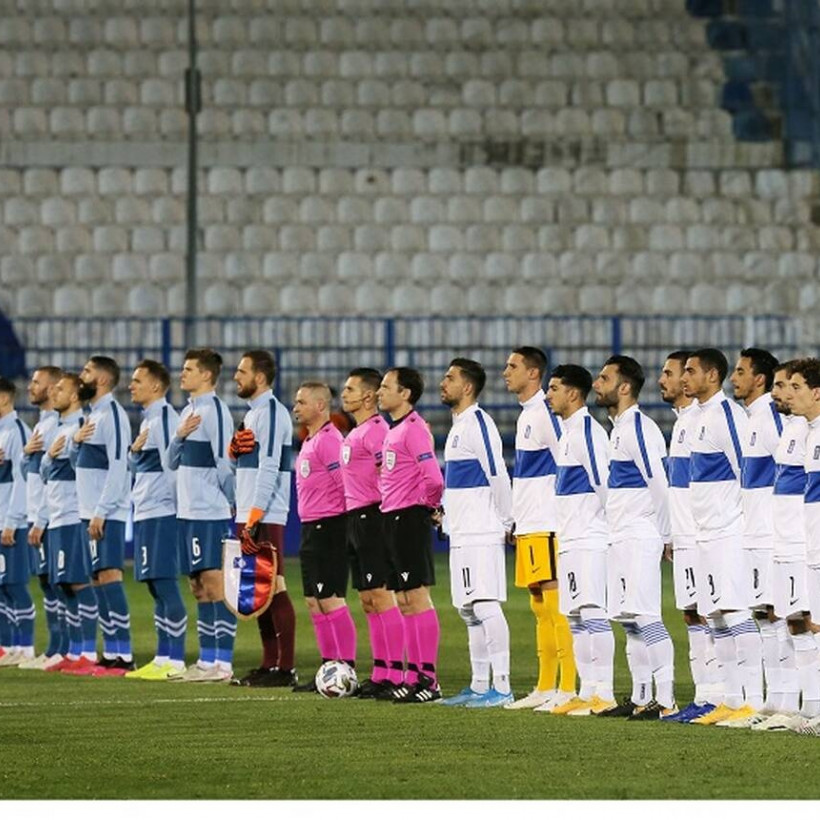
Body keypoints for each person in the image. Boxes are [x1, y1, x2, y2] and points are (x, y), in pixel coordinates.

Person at [592, 355, 676, 720]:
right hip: (620, 535)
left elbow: (659, 483)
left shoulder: (639, 428)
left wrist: (667, 534)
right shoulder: (619, 430)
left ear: (624, 387)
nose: (597, 384)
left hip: (640, 534)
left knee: (646, 615)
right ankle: (642, 696)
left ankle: (667, 700)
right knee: (629, 619)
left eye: (604, 378)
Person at [681, 348, 758, 726]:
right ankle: (730, 699)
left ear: (712, 376)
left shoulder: (728, 415)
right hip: (705, 533)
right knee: (714, 615)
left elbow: (747, 472)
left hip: (729, 530)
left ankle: (752, 701)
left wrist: (743, 523)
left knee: (737, 611)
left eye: (691, 371)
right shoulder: (697, 417)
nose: (684, 378)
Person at [501, 346, 576, 712]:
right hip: (530, 524)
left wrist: (561, 517)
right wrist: (517, 519)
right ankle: (545, 686)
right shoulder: (528, 414)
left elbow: (568, 461)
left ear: (533, 373)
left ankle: (567, 686)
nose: (505, 372)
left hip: (548, 523)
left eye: (513, 366)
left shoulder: (547, 413)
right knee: (539, 607)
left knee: (556, 606)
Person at [438, 358, 515, 708]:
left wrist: (508, 520)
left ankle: (503, 686)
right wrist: (445, 517)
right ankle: (479, 685)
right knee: (468, 611)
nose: (443, 383)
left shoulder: (478, 422)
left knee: (485, 605)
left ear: (467, 387)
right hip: (463, 533)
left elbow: (497, 472)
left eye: (450, 378)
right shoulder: (458, 426)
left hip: (482, 531)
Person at [751, 360, 818, 731]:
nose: (786, 394)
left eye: (794, 386)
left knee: (809, 623)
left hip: (803, 542)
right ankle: (804, 707)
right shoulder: (801, 430)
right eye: (783, 386)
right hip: (794, 541)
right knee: (796, 622)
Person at [546, 364, 616, 716]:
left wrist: (609, 529)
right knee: (575, 617)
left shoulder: (588, 431)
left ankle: (604, 692)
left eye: (554, 389)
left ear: (573, 393)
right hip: (571, 538)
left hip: (590, 538)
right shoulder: (568, 433)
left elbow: (605, 483)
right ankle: (587, 690)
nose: (548, 395)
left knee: (593, 613)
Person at [658, 351, 721, 723]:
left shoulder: (704, 420)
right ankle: (703, 696)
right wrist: (672, 533)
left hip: (704, 536)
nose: (666, 380)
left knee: (713, 614)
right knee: (692, 615)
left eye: (671, 373)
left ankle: (721, 695)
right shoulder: (683, 422)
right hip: (684, 537)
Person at [168, 348, 236, 682]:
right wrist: (179, 436)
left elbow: (225, 462)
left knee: (215, 584)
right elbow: (170, 461)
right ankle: (207, 661)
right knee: (197, 587)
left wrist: (232, 502)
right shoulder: (187, 412)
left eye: (189, 369)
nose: (182, 374)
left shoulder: (216, 411)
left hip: (210, 511)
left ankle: (223, 663)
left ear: (206, 375)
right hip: (187, 511)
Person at [377, 367, 444, 703]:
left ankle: (429, 681)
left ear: (405, 394)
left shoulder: (414, 429)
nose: (379, 392)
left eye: (386, 386)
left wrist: (430, 507)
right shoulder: (397, 429)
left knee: (416, 598)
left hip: (408, 518)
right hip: (392, 518)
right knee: (403, 601)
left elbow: (434, 478)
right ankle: (413, 676)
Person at [230, 350, 297, 688]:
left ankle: (286, 667)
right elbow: (247, 467)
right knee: (260, 589)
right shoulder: (253, 414)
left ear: (259, 377)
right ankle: (269, 664)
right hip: (249, 512)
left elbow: (270, 467)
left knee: (276, 585)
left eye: (241, 371)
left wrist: (255, 514)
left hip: (265, 512)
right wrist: (233, 454)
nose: (235, 377)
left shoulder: (271, 411)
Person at [338, 368, 402, 699]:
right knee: (367, 600)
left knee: (381, 596)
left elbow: (387, 473)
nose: (343, 394)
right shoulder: (357, 431)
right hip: (355, 518)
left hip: (374, 517)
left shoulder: (377, 431)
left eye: (350, 389)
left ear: (367, 396)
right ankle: (380, 672)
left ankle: (395, 672)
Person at [124, 360, 187, 681]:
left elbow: (172, 467)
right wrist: (134, 454)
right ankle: (162, 656)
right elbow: (145, 466)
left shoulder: (164, 419)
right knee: (153, 584)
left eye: (137, 380)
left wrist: (176, 510)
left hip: (163, 511)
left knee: (164, 583)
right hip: (147, 511)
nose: (131, 385)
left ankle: (175, 659)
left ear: (156, 386)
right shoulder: (150, 419)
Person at [70, 355, 134, 675]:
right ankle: (110, 653)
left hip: (105, 513)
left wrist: (101, 511)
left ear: (103, 380)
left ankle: (124, 654)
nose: (81, 376)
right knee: (97, 579)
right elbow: (77, 465)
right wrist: (74, 442)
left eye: (87, 371)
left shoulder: (113, 415)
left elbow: (119, 465)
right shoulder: (91, 416)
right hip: (90, 512)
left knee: (109, 577)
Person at [292, 381, 356, 692]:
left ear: (320, 406)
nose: (296, 407)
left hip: (330, 526)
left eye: (301, 402)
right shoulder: (310, 439)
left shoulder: (330, 440)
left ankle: (346, 669)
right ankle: (328, 667)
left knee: (330, 599)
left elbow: (344, 483)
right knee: (314, 602)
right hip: (311, 526)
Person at [729, 347, 781, 722]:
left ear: (759, 379)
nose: (734, 378)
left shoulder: (772, 418)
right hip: (754, 533)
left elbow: (792, 471)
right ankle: (774, 701)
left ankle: (790, 701)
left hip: (772, 535)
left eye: (740, 371)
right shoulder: (751, 419)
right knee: (765, 617)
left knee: (781, 617)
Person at [38, 373, 99, 674]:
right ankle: (74, 650)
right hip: (57, 515)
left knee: (79, 583)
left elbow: (83, 471)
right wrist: (48, 457)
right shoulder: (59, 428)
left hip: (74, 514)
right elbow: (44, 473)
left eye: (60, 389)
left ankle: (87, 650)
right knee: (62, 585)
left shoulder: (81, 426)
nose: (54, 392)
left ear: (74, 396)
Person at [20, 366, 66, 669]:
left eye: (36, 382)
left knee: (58, 584)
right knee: (48, 583)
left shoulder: (55, 427)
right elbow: (32, 475)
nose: (30, 387)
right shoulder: (42, 425)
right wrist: (26, 455)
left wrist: (41, 519)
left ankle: (64, 648)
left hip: (50, 516)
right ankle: (54, 648)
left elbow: (52, 480)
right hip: (40, 514)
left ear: (51, 388)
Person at [784, 358, 820, 735]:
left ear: (817, 392)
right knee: (815, 625)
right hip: (812, 544)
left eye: (796, 387)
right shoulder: (810, 434)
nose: (789, 394)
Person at [0, 377, 34, 667]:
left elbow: (23, 480)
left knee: (14, 585)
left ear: (3, 398)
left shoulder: (19, 432)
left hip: (11, 522)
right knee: (1, 587)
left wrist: (12, 520)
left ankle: (25, 646)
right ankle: (7, 645)